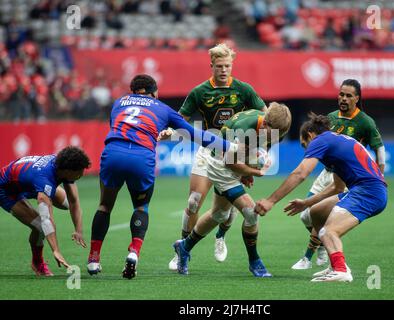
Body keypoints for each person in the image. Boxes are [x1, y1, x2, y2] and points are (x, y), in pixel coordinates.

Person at [86, 74, 239, 279]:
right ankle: (133, 252)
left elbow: (116, 125)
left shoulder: (119, 102)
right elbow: (194, 135)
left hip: (113, 152)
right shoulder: (162, 108)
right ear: (154, 92)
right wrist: (231, 147)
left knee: (104, 206)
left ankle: (94, 260)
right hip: (141, 157)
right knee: (141, 207)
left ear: (133, 91)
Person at [161, 43, 267, 271]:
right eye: (219, 66)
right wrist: (170, 131)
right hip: (208, 151)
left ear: (232, 65)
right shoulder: (199, 91)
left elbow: (265, 115)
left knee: (224, 213)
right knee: (193, 201)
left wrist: (255, 152)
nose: (223, 70)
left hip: (233, 154)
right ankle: (182, 250)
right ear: (212, 66)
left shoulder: (244, 89)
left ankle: (220, 237)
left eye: (227, 65)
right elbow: (181, 119)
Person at [255, 113, 388, 282]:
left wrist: (270, 200)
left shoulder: (320, 140)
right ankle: (335, 265)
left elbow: (301, 173)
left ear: (310, 135)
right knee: (316, 212)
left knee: (328, 231)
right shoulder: (336, 142)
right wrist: (306, 203)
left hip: (368, 192)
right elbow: (338, 187)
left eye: (305, 145)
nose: (307, 150)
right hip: (366, 190)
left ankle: (341, 270)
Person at [173, 103, 292, 277]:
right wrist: (255, 171)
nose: (275, 138)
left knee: (219, 215)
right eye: (273, 133)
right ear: (265, 123)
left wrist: (247, 169)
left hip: (233, 161)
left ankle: (184, 247)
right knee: (251, 213)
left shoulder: (273, 128)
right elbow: (230, 162)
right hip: (219, 164)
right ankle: (254, 262)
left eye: (279, 135)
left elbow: (255, 149)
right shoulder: (245, 129)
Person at [291, 79, 385, 271]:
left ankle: (309, 257)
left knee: (328, 223)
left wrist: (380, 172)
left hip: (350, 175)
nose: (343, 98)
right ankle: (324, 246)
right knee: (306, 216)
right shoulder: (330, 118)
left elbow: (379, 148)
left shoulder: (365, 121)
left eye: (349, 95)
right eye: (341, 94)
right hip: (329, 173)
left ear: (357, 98)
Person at [0, 146, 91, 276]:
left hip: (28, 181)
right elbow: (46, 218)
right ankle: (37, 262)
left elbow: (74, 202)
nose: (82, 174)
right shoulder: (44, 180)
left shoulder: (62, 165)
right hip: (6, 190)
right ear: (68, 171)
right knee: (40, 226)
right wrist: (56, 250)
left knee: (66, 204)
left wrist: (78, 230)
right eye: (79, 171)